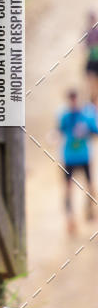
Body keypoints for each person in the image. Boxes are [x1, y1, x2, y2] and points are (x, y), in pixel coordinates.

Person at [57, 89, 98, 235]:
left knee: (90, 186)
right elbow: (59, 130)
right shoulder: (64, 116)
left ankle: (89, 210)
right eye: (72, 99)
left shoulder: (87, 115)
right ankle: (70, 218)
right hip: (69, 157)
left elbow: (95, 130)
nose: (74, 102)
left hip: (84, 156)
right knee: (68, 189)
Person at [84, 11, 98, 106]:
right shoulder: (87, 32)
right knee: (91, 86)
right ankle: (92, 102)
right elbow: (85, 46)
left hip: (95, 61)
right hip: (91, 61)